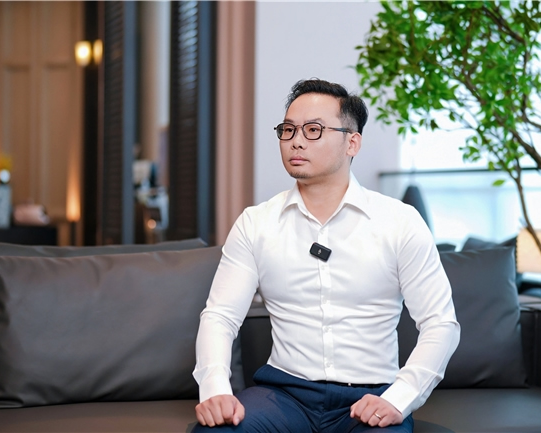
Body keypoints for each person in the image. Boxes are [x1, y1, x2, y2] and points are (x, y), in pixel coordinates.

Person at [192, 78, 460, 432]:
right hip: (283, 394)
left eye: (313, 130)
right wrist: (215, 390)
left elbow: (440, 324)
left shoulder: (400, 222)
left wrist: (399, 398)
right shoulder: (256, 223)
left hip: (372, 396)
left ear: (352, 143)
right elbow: (220, 316)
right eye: (288, 130)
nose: (296, 141)